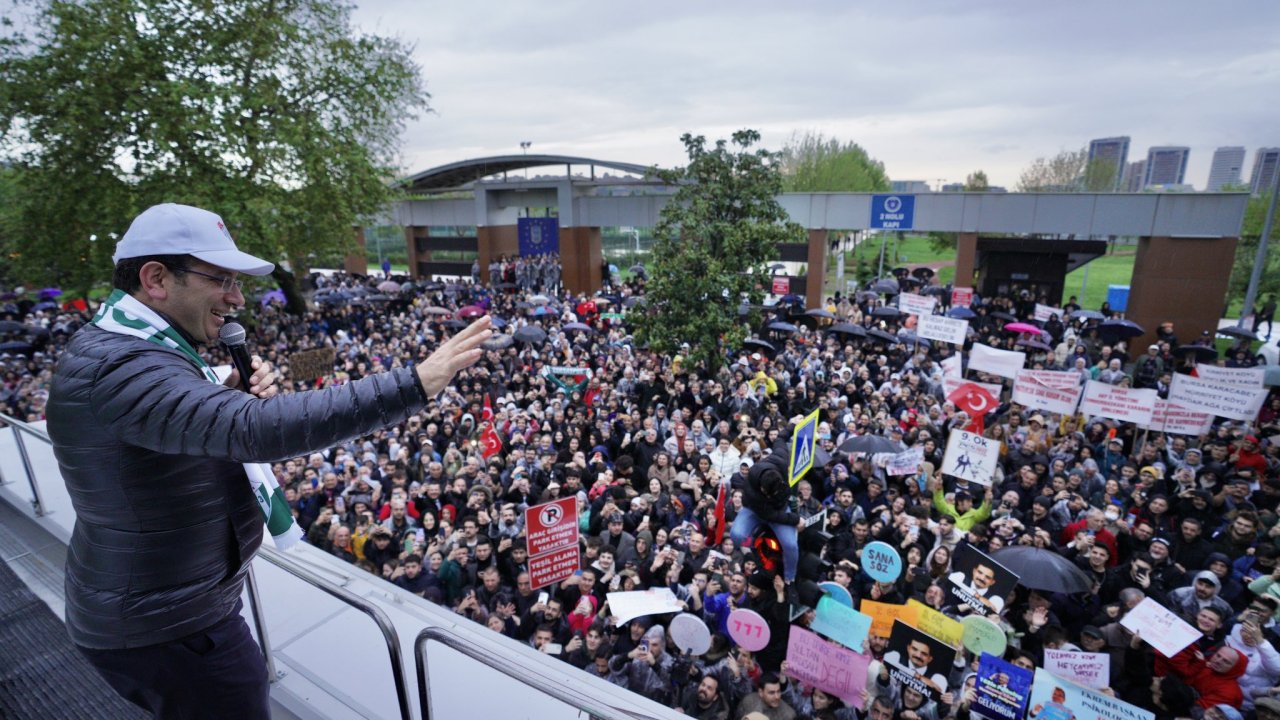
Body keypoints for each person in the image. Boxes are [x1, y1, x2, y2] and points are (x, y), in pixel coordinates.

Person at [47, 204, 491, 719]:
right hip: (165, 622)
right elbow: (255, 430)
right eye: (221, 280)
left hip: (173, 603)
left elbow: (180, 434)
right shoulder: (119, 368)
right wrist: (413, 383)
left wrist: (224, 396)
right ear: (156, 279)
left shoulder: (129, 347)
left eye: (237, 283)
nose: (237, 299)